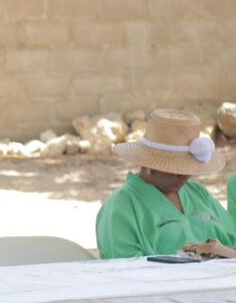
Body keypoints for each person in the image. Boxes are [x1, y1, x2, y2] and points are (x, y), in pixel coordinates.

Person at [96, 108, 236, 259]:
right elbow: (125, 267)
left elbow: (232, 238)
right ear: (150, 163)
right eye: (175, 168)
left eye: (188, 167)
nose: (184, 175)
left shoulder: (197, 192)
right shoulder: (121, 206)